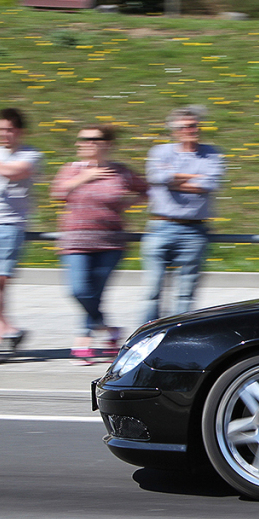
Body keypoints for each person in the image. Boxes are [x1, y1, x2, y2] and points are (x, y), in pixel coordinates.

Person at [50, 125, 149, 363]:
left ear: (107, 143)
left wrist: (126, 205)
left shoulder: (121, 172)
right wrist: (83, 178)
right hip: (75, 240)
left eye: (93, 139)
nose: (86, 143)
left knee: (95, 293)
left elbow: (146, 189)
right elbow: (57, 193)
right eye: (82, 139)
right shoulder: (71, 169)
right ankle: (107, 330)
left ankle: (83, 338)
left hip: (110, 242)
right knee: (78, 290)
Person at [142, 105, 225, 323]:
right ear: (174, 130)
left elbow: (210, 183)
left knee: (186, 294)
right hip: (161, 226)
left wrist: (174, 180)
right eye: (185, 127)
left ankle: (175, 338)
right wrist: (192, 178)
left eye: (194, 125)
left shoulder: (212, 153)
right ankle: (145, 336)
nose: (191, 130)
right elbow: (157, 178)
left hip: (195, 230)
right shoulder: (160, 151)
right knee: (152, 290)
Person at [0, 108, 43, 363]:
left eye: (7, 129)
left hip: (9, 225)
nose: (1, 134)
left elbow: (10, 172)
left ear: (19, 131)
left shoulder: (32, 154)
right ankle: (10, 328)